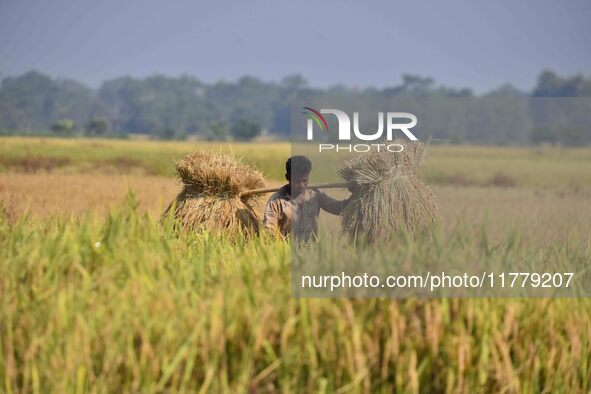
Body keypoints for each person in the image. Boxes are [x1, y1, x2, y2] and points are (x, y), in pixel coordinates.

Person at [263, 155, 352, 241]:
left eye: (304, 180)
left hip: (311, 251)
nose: (301, 185)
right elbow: (269, 230)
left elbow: (339, 208)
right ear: (287, 177)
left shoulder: (315, 195)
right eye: (297, 181)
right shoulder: (276, 201)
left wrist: (357, 194)